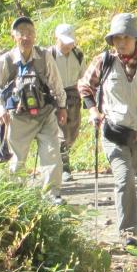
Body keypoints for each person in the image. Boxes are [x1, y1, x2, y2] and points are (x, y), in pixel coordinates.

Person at [78, 13, 137, 246]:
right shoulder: (104, 61)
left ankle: (135, 228)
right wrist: (92, 111)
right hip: (114, 132)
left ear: (136, 39)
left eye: (126, 37)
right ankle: (127, 231)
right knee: (124, 179)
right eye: (117, 38)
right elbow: (85, 86)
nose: (121, 42)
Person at [0, 17, 68, 204]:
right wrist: (0, 109)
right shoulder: (6, 61)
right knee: (17, 158)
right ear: (14, 36)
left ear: (35, 35)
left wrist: (62, 106)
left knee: (52, 152)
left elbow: (56, 82)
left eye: (30, 33)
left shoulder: (44, 56)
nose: (26, 37)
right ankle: (17, 197)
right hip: (18, 116)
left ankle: (52, 194)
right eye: (22, 33)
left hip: (45, 113)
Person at [51, 23, 85, 183]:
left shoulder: (78, 54)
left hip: (73, 97)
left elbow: (83, 76)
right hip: (55, 98)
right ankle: (64, 167)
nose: (68, 46)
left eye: (70, 42)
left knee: (72, 133)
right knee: (61, 135)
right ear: (56, 39)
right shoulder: (49, 55)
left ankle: (61, 158)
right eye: (64, 42)